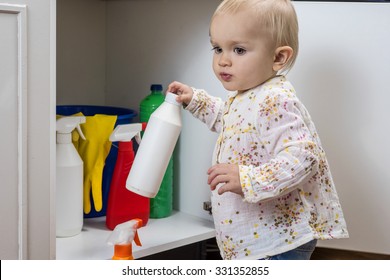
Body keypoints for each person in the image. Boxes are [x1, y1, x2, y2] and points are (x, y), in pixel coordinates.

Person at [168, 0, 348, 260]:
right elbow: (233, 124)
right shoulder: (248, 96)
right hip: (259, 239)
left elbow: (302, 157)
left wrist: (248, 179)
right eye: (217, 48)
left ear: (278, 57)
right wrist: (196, 100)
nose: (223, 60)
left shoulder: (273, 99)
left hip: (277, 241)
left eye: (239, 50)